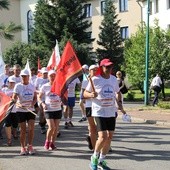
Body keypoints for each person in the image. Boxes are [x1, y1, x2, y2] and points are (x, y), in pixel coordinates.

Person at [84, 58, 124, 170]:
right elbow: (84, 93)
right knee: (103, 137)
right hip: (99, 111)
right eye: (106, 67)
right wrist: (91, 95)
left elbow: (117, 92)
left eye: (110, 67)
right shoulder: (95, 79)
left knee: (110, 137)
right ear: (101, 67)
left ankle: (101, 160)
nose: (109, 69)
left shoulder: (113, 79)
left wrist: (119, 103)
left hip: (111, 111)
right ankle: (94, 158)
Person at [12, 69, 37, 155]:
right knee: (23, 130)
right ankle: (22, 147)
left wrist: (32, 104)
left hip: (30, 110)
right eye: (22, 76)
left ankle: (30, 146)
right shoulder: (17, 86)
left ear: (28, 77)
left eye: (24, 76)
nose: (23, 78)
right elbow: (14, 97)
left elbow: (35, 98)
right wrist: (17, 102)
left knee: (31, 128)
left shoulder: (32, 85)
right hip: (20, 110)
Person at [38, 70, 62, 150]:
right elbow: (39, 97)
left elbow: (63, 96)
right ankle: (47, 141)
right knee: (52, 127)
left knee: (56, 128)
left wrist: (62, 100)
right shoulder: (45, 86)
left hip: (57, 109)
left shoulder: (59, 85)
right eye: (51, 76)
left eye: (54, 75)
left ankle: (52, 143)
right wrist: (43, 103)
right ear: (48, 77)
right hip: (48, 109)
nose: (52, 77)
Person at [82, 64, 98, 150]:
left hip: (99, 106)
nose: (95, 71)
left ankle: (98, 142)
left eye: (96, 70)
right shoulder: (86, 81)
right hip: (89, 106)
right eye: (93, 70)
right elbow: (83, 96)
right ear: (89, 71)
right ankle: (95, 147)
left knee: (100, 126)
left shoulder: (100, 80)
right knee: (92, 127)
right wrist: (91, 95)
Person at [1, 77, 18, 146]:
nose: (11, 84)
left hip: (15, 110)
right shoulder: (4, 90)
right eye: (10, 82)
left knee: (15, 124)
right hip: (6, 110)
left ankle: (14, 132)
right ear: (8, 82)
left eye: (13, 82)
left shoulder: (16, 90)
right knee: (7, 124)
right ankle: (9, 139)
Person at [35, 67, 49, 134]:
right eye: (44, 73)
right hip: (40, 98)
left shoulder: (49, 79)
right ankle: (42, 126)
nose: (45, 74)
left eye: (46, 73)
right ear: (41, 73)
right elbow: (34, 89)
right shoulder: (38, 80)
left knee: (47, 113)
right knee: (42, 112)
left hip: (48, 99)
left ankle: (44, 123)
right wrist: (41, 92)